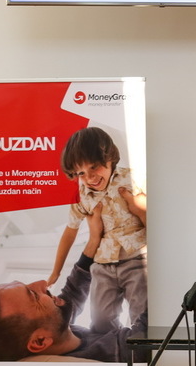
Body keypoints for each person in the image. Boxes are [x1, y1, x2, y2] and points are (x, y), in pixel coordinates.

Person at [0, 204, 146, 362]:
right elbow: (147, 330)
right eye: (34, 295)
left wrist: (94, 239)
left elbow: (73, 291)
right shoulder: (111, 356)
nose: (42, 283)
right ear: (40, 341)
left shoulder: (56, 333)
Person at [48, 126, 148, 337]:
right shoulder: (81, 196)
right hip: (103, 264)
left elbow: (157, 218)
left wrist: (141, 209)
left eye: (94, 167)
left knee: (142, 312)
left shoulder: (133, 179)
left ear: (110, 158)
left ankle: (139, 348)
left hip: (136, 258)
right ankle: (113, 348)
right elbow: (70, 232)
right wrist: (56, 271)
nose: (90, 177)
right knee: (100, 322)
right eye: (81, 173)